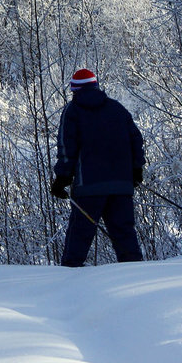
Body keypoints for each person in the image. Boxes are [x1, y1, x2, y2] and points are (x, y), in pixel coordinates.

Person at [51, 68, 145, 265]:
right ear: (96, 85)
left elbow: (67, 147)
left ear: (75, 90)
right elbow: (136, 140)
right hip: (121, 185)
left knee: (79, 237)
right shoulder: (117, 109)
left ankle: (66, 282)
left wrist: (62, 179)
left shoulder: (72, 111)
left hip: (89, 188)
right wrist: (136, 170)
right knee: (125, 236)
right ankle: (137, 279)